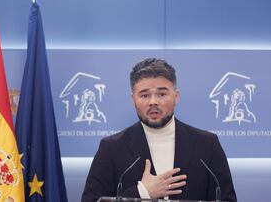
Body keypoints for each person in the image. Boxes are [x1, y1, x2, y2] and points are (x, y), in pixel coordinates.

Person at [82, 58, 237, 202]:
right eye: (144, 95)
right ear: (133, 99)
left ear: (176, 96)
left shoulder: (207, 144)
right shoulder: (112, 148)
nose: (153, 102)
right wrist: (142, 192)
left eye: (162, 94)